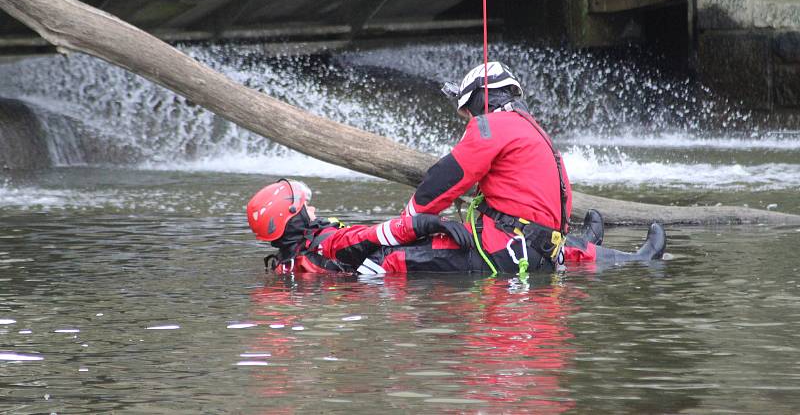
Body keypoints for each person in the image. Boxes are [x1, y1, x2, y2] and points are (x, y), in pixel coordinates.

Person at [403, 60, 666, 274]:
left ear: (477, 102)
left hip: (507, 250)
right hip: (541, 246)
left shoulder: (490, 126)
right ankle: (621, 255)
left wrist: (406, 224)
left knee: (398, 256)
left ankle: (616, 254)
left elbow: (444, 179)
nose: (468, 120)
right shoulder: (532, 128)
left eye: (467, 112)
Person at [246, 179, 664, 275]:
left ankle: (583, 246)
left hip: (393, 268)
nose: (313, 206)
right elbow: (373, 236)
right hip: (402, 265)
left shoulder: (289, 264)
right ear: (294, 218)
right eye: (305, 205)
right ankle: (635, 260)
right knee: (505, 245)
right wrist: (425, 221)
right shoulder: (326, 241)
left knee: (504, 242)